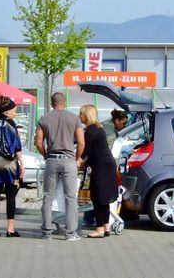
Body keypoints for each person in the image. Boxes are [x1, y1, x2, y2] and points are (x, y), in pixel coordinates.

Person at [36, 92, 84, 241]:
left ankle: (47, 232)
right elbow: (81, 142)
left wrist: (45, 155)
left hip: (52, 159)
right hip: (69, 160)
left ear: (52, 103)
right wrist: (76, 158)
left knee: (48, 197)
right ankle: (70, 233)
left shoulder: (44, 119)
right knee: (70, 197)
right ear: (65, 103)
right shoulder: (74, 118)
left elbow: (38, 142)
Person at [0, 95, 24, 238]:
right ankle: (10, 229)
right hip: (9, 163)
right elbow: (17, 146)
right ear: (6, 112)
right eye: (14, 110)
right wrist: (21, 164)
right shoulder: (11, 124)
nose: (15, 112)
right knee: (11, 194)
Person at [80, 104, 119, 238]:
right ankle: (106, 227)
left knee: (97, 196)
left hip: (101, 166)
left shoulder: (90, 131)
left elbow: (86, 151)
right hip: (108, 164)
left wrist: (78, 161)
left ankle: (99, 229)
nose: (79, 116)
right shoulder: (99, 128)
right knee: (105, 197)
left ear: (87, 116)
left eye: (81, 114)